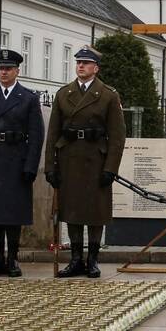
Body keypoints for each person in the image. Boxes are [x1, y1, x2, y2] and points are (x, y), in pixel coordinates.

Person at [44, 45, 126, 278]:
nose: (80, 66)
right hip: (69, 158)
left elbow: (117, 136)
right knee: (72, 211)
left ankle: (92, 260)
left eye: (86, 63)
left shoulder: (108, 95)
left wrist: (111, 168)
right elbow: (52, 134)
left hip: (95, 160)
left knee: (95, 212)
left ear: (96, 68)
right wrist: (51, 166)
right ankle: (75, 259)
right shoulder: (64, 93)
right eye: (78, 62)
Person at [0, 49, 45, 278]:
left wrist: (31, 165)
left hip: (16, 159)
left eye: (8, 69)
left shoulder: (28, 98)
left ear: (17, 71)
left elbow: (36, 134)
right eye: (1, 69)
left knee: (13, 214)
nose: (3, 72)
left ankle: (12, 259)